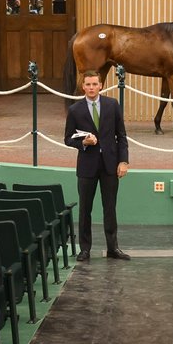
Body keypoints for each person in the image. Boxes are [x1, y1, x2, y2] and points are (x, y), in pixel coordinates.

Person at [65, 70, 130, 261]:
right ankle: (85, 249)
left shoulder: (112, 105)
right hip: (87, 166)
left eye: (95, 84)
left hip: (110, 165)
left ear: (101, 85)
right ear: (83, 86)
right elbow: (68, 138)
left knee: (110, 208)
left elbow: (122, 136)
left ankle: (113, 248)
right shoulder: (75, 110)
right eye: (88, 84)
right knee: (85, 208)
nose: (91, 88)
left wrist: (123, 161)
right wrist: (83, 143)